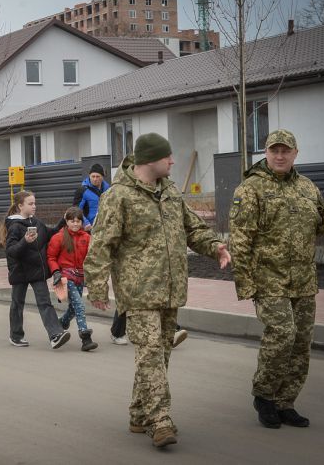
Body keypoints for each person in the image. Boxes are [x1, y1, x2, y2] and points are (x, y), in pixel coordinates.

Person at [84, 132, 230, 448]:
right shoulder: (118, 196)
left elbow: (193, 229)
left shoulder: (171, 192)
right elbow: (100, 246)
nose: (173, 161)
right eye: (168, 157)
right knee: (150, 353)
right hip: (138, 292)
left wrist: (216, 247)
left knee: (159, 354)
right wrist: (97, 286)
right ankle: (160, 421)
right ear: (151, 160)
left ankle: (139, 414)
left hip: (170, 289)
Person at [229, 129, 324, 430]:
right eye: (274, 150)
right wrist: (245, 282)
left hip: (303, 279)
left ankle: (286, 401)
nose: (280, 155)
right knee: (282, 334)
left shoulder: (307, 187)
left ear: (295, 154)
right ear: (266, 152)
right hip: (268, 280)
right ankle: (264, 396)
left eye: (286, 151)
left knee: (301, 342)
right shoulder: (251, 189)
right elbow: (240, 239)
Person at [6, 190, 69, 349]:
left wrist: (64, 220)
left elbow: (51, 233)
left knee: (45, 303)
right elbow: (11, 251)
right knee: (17, 304)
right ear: (20, 206)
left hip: (36, 272)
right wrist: (25, 241)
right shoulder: (14, 226)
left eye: (35, 203)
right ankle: (16, 335)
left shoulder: (37, 223)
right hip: (20, 272)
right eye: (30, 203)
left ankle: (55, 335)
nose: (34, 206)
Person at [47, 206, 98, 352]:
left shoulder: (87, 238)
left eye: (78, 221)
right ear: (66, 222)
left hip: (80, 277)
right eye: (72, 221)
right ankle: (86, 339)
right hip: (65, 277)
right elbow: (51, 257)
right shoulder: (59, 237)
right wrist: (56, 272)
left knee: (74, 308)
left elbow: (92, 257)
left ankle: (60, 323)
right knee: (80, 305)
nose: (75, 224)